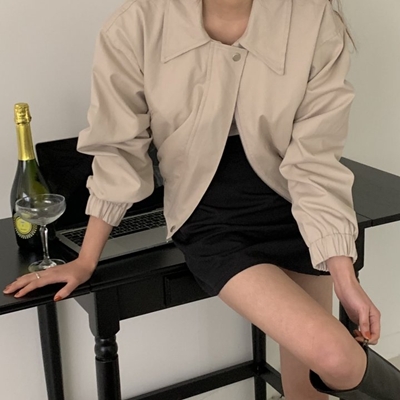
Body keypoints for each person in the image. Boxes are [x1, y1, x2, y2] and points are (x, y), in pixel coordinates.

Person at [4, 0, 397, 399]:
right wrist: (86, 259)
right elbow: (119, 150)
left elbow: (316, 158)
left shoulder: (312, 18)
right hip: (210, 218)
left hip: (298, 210)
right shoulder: (137, 24)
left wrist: (344, 275)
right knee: (336, 356)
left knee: (307, 393)